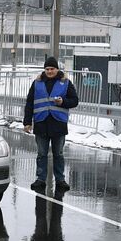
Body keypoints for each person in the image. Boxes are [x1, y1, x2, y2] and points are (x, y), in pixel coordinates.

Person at [23, 56, 78, 193]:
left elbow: (75, 101)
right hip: (41, 123)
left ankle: (60, 180)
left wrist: (63, 102)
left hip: (58, 123)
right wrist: (27, 122)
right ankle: (40, 179)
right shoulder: (37, 83)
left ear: (57, 69)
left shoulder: (65, 83)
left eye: (52, 69)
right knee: (41, 154)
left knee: (58, 154)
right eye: (47, 69)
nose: (49, 71)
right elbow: (29, 103)